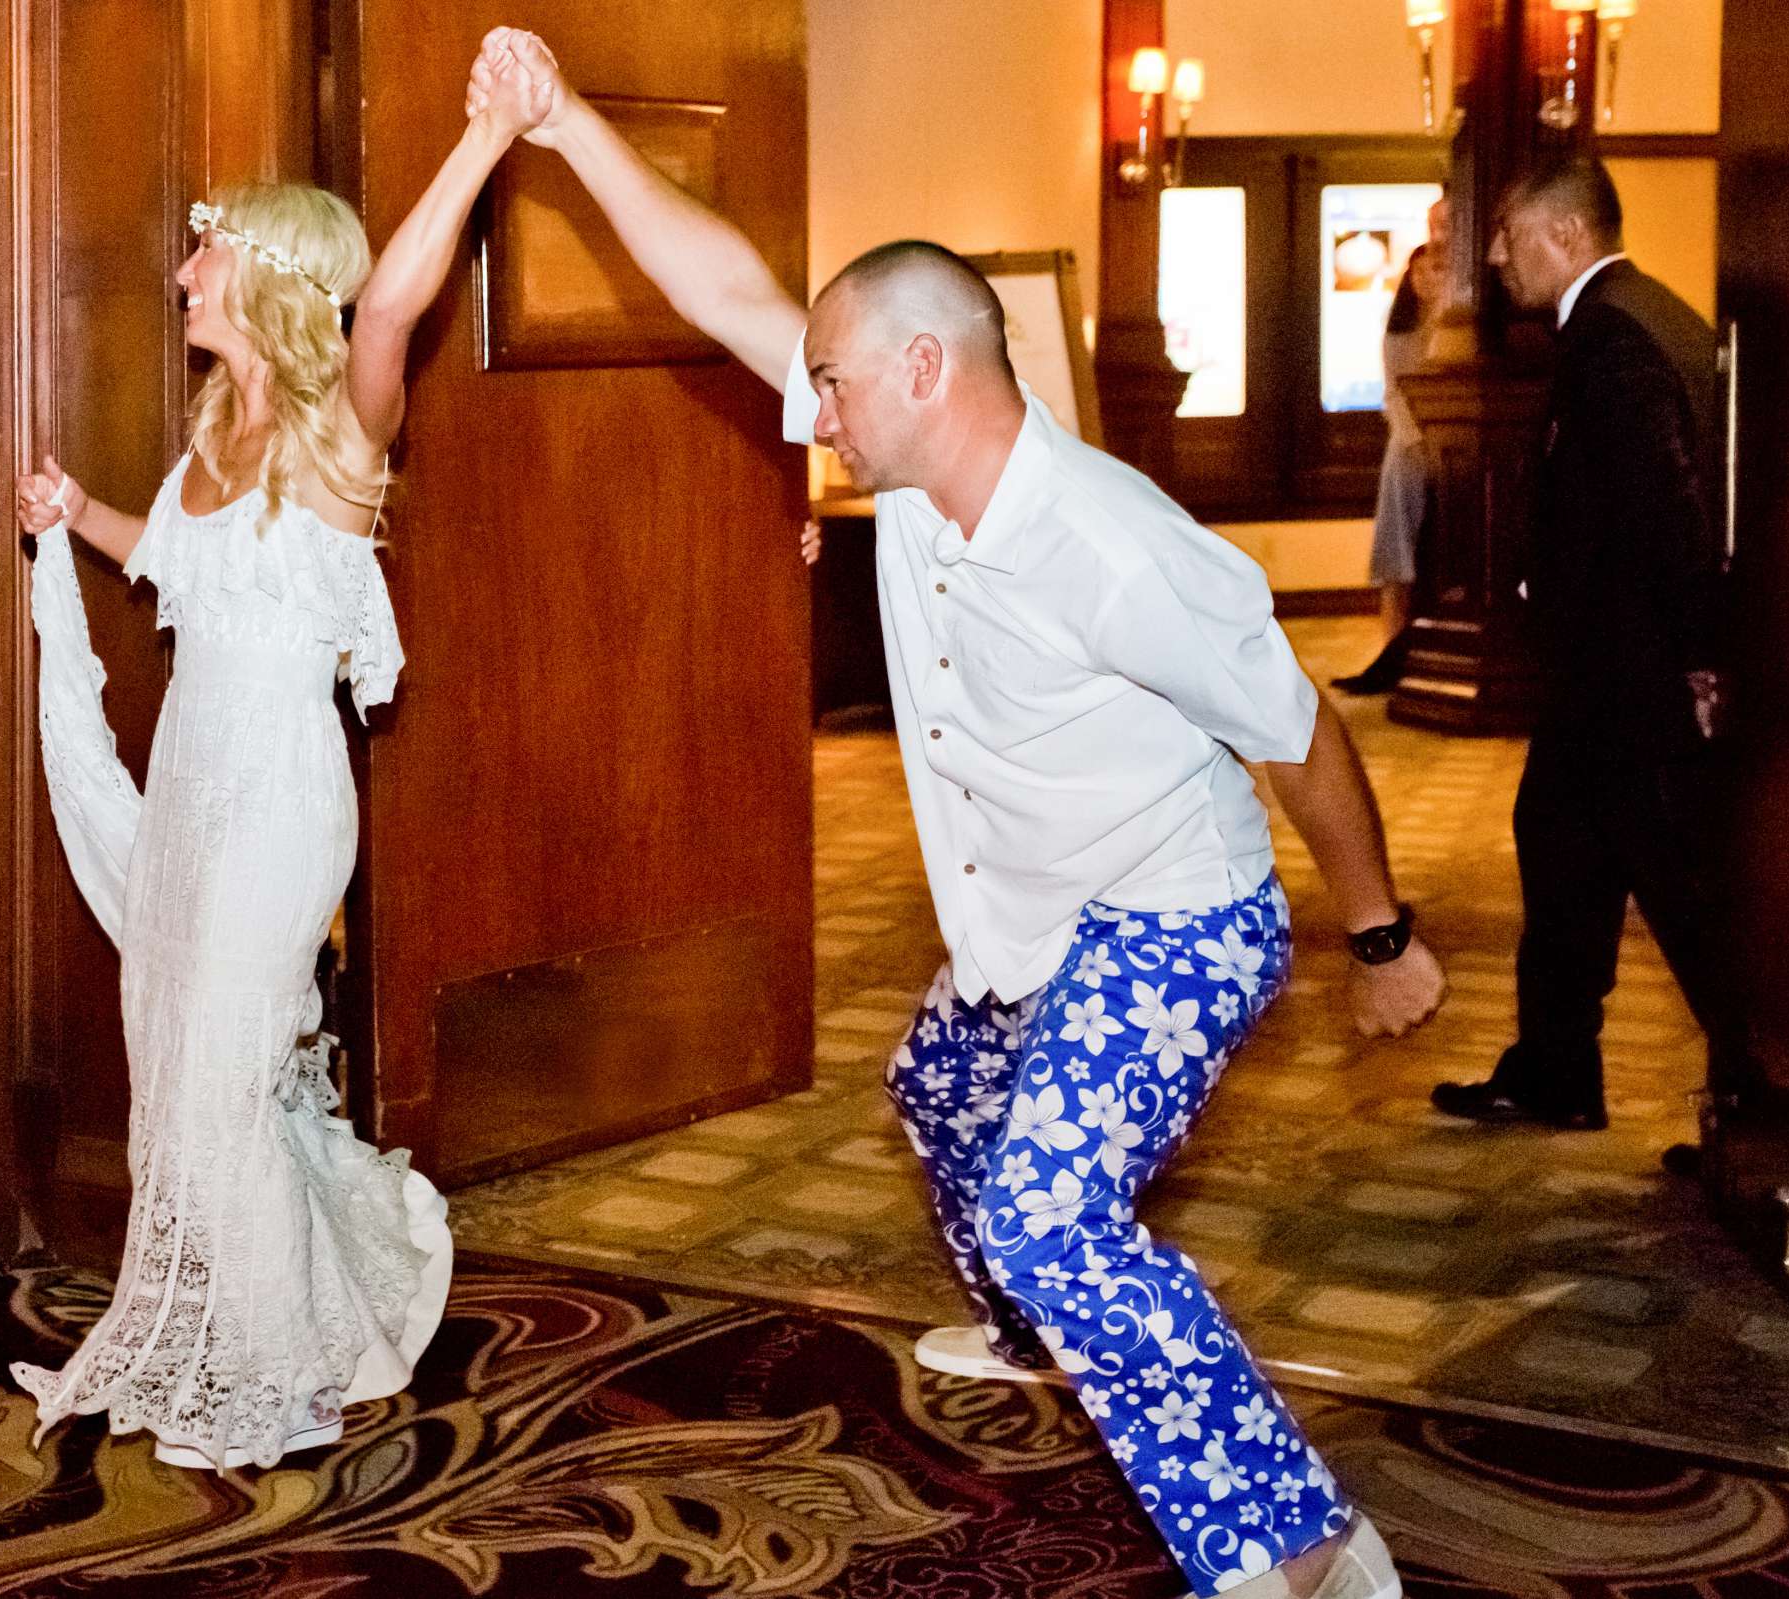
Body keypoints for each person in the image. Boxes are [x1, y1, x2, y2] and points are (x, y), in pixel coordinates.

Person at [470, 29, 1442, 1598]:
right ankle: (1040, 1322)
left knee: (1049, 1211)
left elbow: (1302, 732)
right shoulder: (917, 489)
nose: (821, 411)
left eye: (840, 381)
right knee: (937, 1094)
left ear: (927, 370)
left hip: (1179, 914)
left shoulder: (1119, 549)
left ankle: (1309, 1544)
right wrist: (568, 121)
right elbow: (723, 288)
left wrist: (1380, 933)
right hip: (1035, 915)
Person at [6, 54, 557, 1471]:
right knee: (181, 1067)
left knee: (222, 1081)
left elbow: (390, 303)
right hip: (194, 785)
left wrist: (485, 133)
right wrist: (80, 515)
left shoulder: (335, 432)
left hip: (280, 808)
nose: (183, 267)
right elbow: (185, 568)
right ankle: (312, 1316)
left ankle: (272, 1387)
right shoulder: (211, 435)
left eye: (207, 247)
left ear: (265, 279)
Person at [1430, 156, 1789, 1144]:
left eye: (1513, 239)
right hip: (1605, 674)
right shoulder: (1653, 314)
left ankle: (1764, 1081)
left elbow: (1668, 508)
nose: (1500, 259)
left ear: (1566, 237)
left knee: (1679, 886)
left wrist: (1699, 660)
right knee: (1562, 848)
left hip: (1630, 675)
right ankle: (1558, 1070)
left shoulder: (1615, 338)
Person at [1333, 202, 1449, 696]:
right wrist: (1417, 441)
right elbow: (1396, 394)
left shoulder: (1455, 326)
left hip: (1447, 451)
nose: (1427, 278)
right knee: (1396, 552)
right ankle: (1391, 647)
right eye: (1420, 270)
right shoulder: (1399, 327)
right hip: (1407, 447)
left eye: (1439, 269)